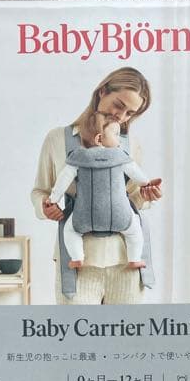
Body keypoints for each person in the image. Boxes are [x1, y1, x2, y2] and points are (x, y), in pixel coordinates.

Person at [31, 67, 162, 305]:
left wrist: (146, 196)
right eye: (119, 105)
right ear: (102, 92)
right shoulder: (57, 139)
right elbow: (41, 190)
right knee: (74, 329)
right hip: (75, 263)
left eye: (130, 113)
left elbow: (132, 200)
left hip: (125, 263)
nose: (121, 117)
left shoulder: (129, 145)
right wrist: (45, 206)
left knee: (126, 330)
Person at [47, 112, 162, 272]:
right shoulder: (120, 156)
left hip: (85, 215)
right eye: (116, 134)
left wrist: (53, 200)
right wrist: (147, 184)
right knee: (135, 230)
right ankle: (135, 259)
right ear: (99, 138)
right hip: (120, 214)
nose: (119, 140)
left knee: (70, 231)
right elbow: (137, 175)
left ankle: (77, 257)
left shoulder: (77, 158)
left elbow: (62, 182)